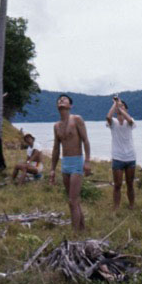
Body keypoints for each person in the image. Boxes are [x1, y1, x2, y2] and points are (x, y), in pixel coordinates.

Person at [49, 94, 91, 231]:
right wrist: (52, 170)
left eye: (64, 99)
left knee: (72, 201)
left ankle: (74, 234)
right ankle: (82, 229)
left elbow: (85, 140)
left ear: (70, 105)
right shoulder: (56, 126)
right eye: (59, 99)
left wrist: (87, 161)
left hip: (77, 161)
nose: (61, 100)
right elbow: (56, 148)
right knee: (74, 201)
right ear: (57, 106)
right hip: (65, 163)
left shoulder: (76, 119)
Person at [106, 96, 136, 210]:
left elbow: (129, 121)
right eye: (119, 105)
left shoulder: (130, 121)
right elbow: (108, 116)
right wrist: (115, 104)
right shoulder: (113, 122)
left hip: (130, 157)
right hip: (117, 157)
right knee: (117, 185)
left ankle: (132, 206)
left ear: (126, 110)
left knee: (130, 184)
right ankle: (116, 207)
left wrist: (121, 108)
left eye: (123, 106)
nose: (120, 106)